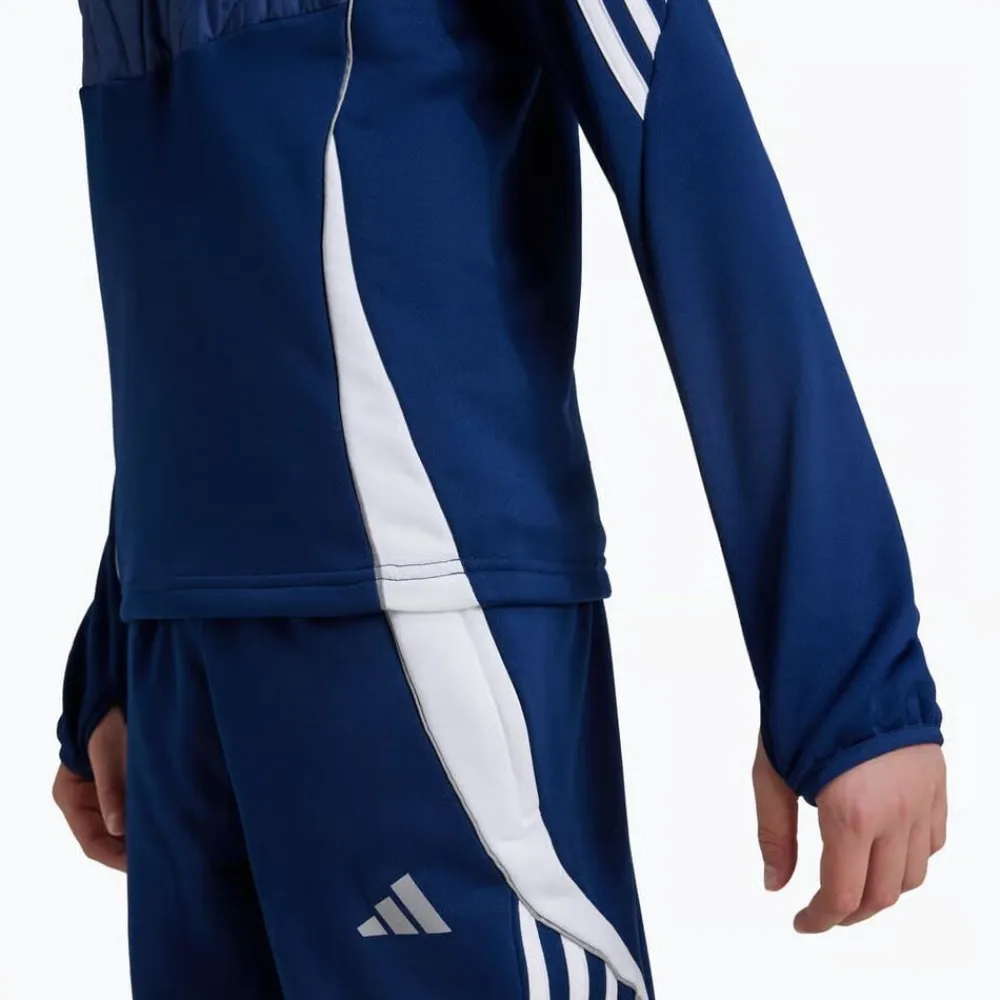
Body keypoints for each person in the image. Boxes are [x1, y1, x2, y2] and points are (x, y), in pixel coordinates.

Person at [52, 1, 947, 997]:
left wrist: (850, 681)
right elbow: (207, 234)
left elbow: (684, 138)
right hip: (183, 663)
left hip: (420, 624)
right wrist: (119, 634)